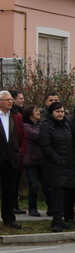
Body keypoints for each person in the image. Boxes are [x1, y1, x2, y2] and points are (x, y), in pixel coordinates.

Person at [39, 102, 75, 232]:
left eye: (62, 111)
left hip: (67, 165)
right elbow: (45, 146)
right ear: (52, 113)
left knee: (65, 195)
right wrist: (57, 160)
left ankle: (61, 220)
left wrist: (71, 159)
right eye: (57, 112)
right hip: (55, 166)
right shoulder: (46, 126)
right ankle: (56, 221)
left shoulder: (66, 125)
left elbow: (71, 143)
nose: (60, 114)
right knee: (57, 195)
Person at [1, 90, 26, 229]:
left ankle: (9, 218)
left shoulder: (17, 117)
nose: (10, 102)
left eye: (11, 99)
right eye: (7, 100)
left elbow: (23, 137)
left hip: (12, 158)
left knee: (9, 190)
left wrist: (19, 153)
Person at [22, 105, 45, 217]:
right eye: (36, 110)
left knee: (46, 185)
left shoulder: (40, 125)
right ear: (30, 114)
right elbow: (37, 137)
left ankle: (51, 207)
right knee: (33, 185)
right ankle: (32, 208)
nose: (38, 112)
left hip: (41, 160)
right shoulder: (26, 126)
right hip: (31, 160)